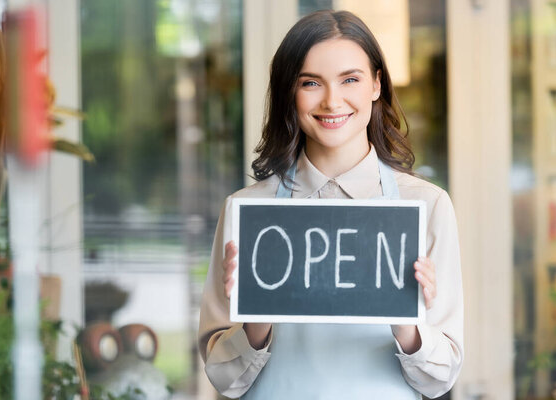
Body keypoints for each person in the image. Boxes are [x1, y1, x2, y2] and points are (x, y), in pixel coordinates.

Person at [198, 10, 463, 399]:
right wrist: (255, 322)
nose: (332, 100)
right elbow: (225, 381)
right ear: (290, 91)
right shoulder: (246, 211)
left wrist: (407, 324)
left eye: (350, 79)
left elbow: (440, 381)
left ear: (376, 84)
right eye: (310, 83)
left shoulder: (427, 206)